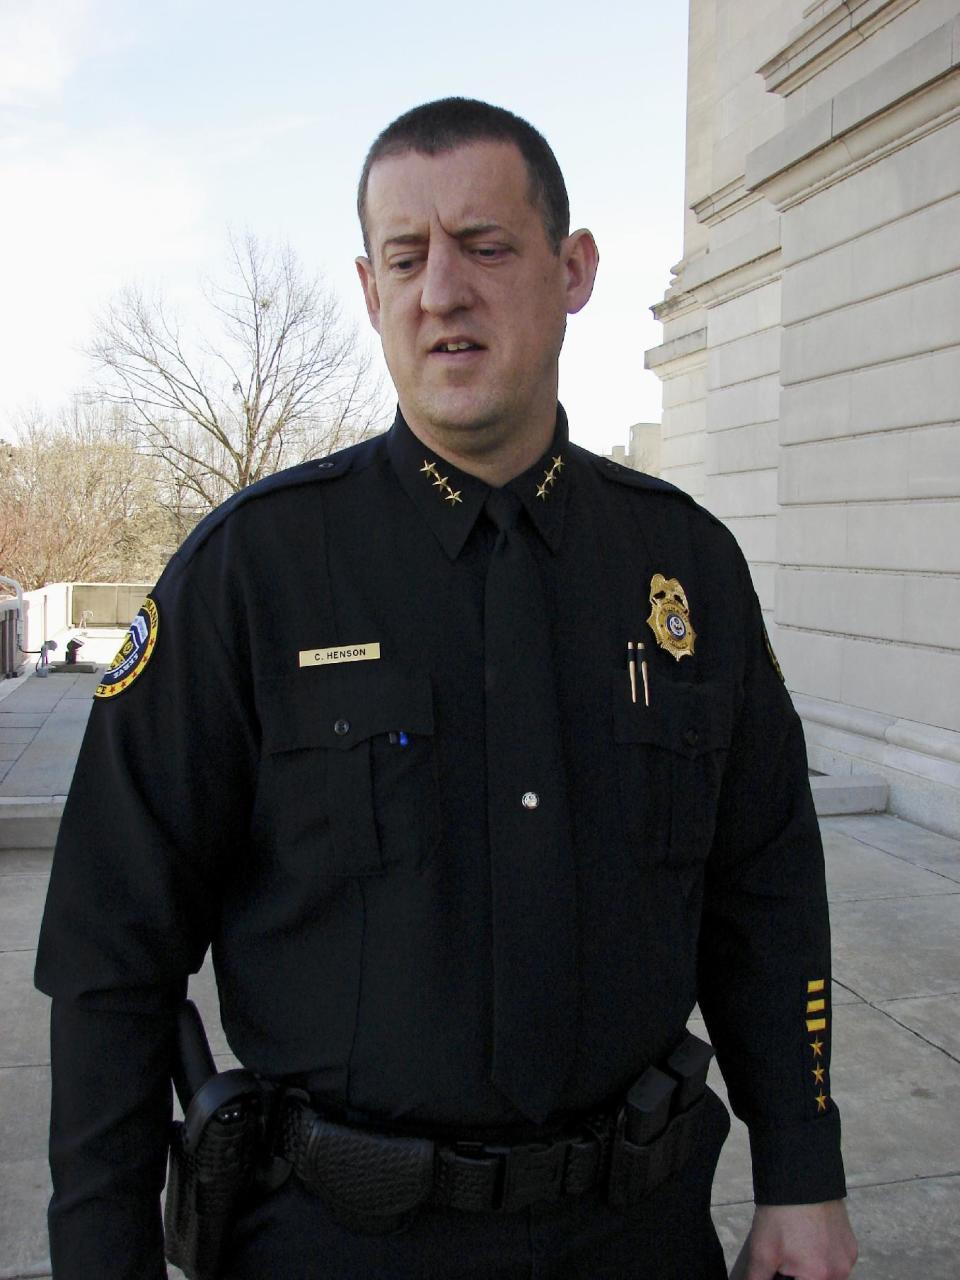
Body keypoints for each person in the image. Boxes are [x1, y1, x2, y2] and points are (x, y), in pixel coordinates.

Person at [35, 98, 858, 1279]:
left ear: (571, 270)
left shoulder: (686, 567)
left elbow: (767, 887)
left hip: (634, 1233)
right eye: (408, 259)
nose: (443, 292)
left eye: (485, 245)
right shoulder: (250, 574)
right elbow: (112, 951)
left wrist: (803, 1167)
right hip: (332, 1243)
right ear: (371, 292)